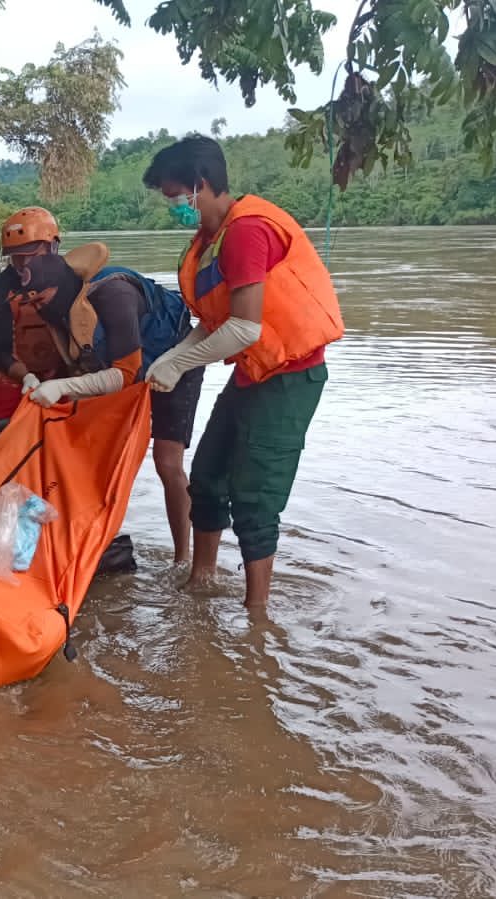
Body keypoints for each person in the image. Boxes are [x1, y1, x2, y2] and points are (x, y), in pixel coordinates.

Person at [140, 135, 343, 604]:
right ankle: (201, 582)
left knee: (255, 497)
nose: (171, 205)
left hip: (290, 376)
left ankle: (257, 620)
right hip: (252, 374)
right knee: (208, 478)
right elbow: (213, 323)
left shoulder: (248, 231)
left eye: (174, 196)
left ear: (201, 185)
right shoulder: (209, 240)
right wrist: (170, 358)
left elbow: (246, 330)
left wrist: (180, 364)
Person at [0, 206, 202, 563]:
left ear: (53, 248)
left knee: (167, 460)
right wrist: (33, 378)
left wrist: (61, 386)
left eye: (30, 254)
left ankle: (184, 559)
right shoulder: (35, 298)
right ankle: (83, 538)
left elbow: (126, 373)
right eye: (15, 258)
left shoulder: (111, 292)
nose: (22, 267)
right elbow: (17, 354)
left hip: (170, 359)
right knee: (87, 455)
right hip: (106, 368)